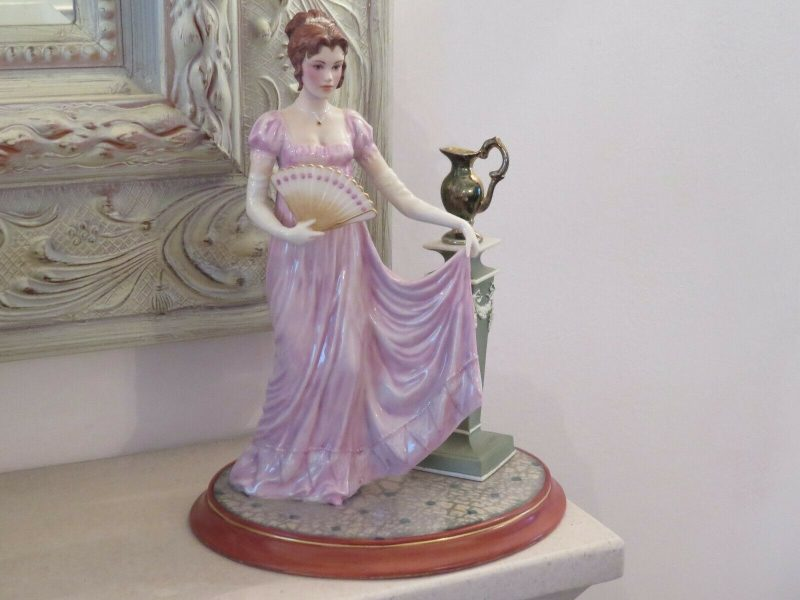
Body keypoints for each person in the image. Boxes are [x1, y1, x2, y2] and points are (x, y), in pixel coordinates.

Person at [229, 10, 483, 505]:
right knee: (296, 362)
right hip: (296, 260)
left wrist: (455, 221)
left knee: (346, 364)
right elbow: (255, 200)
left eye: (337, 66)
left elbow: (397, 193)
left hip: (347, 259)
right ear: (298, 65)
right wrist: (286, 231)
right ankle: (282, 464)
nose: (329, 76)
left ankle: (334, 466)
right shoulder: (274, 127)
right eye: (318, 66)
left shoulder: (352, 126)